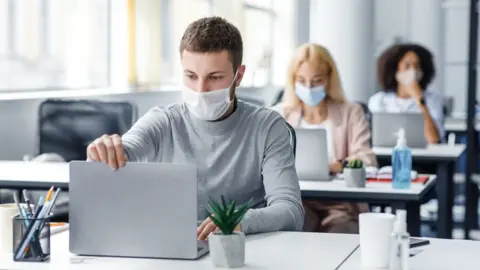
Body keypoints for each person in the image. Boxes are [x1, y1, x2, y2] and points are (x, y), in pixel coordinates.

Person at [86, 17, 304, 240]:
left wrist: (240, 221)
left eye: (215, 77)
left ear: (238, 76)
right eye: (191, 76)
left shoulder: (267, 126)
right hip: (173, 245)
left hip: (242, 246)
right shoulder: (163, 120)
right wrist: (106, 151)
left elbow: (290, 211)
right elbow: (128, 148)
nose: (201, 89)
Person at [271, 43, 377, 233]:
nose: (309, 87)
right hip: (298, 201)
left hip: (341, 204)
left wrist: (339, 165)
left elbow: (367, 158)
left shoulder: (351, 112)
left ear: (329, 79)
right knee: (297, 229)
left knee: (340, 231)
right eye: (301, 80)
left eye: (316, 80)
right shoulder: (281, 114)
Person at [368, 43, 444, 143]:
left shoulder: (432, 99)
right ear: (395, 70)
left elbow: (433, 139)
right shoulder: (378, 100)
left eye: (417, 66)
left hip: (422, 157)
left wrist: (420, 100)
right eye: (407, 66)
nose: (413, 70)